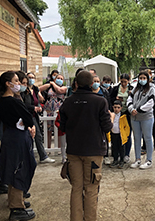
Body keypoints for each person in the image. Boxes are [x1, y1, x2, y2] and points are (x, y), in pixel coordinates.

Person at [59, 70, 113, 220]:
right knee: (91, 188)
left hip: (74, 150)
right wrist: (112, 117)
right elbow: (107, 127)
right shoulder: (100, 101)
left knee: (76, 188)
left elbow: (62, 127)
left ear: (76, 83)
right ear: (92, 84)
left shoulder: (68, 102)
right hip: (94, 150)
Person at [0, 71, 37, 220]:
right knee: (20, 168)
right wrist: (28, 125)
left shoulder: (1, 101)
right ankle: (16, 208)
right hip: (18, 138)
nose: (19, 84)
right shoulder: (13, 102)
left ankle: (15, 201)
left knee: (12, 168)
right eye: (16, 81)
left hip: (10, 136)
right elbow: (28, 118)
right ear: (8, 83)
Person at [127, 71, 155, 169]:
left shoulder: (151, 88)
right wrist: (131, 109)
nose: (142, 80)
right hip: (134, 117)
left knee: (147, 138)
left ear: (148, 79)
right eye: (141, 78)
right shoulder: (135, 88)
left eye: (144, 78)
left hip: (146, 117)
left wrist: (139, 110)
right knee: (136, 138)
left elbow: (151, 102)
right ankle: (138, 159)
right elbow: (129, 99)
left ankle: (149, 160)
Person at [24, 72, 55, 164]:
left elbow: (37, 101)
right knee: (30, 137)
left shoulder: (35, 89)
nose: (31, 79)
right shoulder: (23, 91)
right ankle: (32, 157)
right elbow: (23, 104)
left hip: (34, 116)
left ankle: (43, 156)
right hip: (27, 116)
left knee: (38, 136)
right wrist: (33, 108)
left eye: (33, 77)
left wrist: (39, 106)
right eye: (29, 77)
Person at [110, 73, 134, 162]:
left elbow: (133, 99)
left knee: (127, 134)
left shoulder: (131, 89)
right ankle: (118, 154)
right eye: (122, 81)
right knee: (117, 134)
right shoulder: (116, 89)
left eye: (125, 82)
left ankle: (126, 154)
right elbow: (110, 98)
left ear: (128, 81)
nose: (123, 83)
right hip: (117, 113)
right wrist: (116, 100)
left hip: (127, 113)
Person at [39, 74, 67, 148]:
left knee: (58, 130)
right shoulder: (49, 86)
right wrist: (40, 96)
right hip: (48, 111)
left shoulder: (64, 88)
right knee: (48, 131)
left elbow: (59, 90)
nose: (59, 80)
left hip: (58, 112)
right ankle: (48, 147)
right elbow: (38, 89)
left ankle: (59, 147)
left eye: (61, 79)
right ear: (55, 79)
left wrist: (52, 83)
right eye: (58, 78)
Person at [109, 100, 130, 169]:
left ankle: (121, 160)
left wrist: (126, 135)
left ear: (121, 108)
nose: (116, 109)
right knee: (114, 147)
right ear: (113, 107)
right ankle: (115, 160)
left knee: (121, 148)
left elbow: (126, 126)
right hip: (113, 134)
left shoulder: (123, 116)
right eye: (115, 107)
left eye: (118, 107)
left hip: (121, 135)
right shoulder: (111, 115)